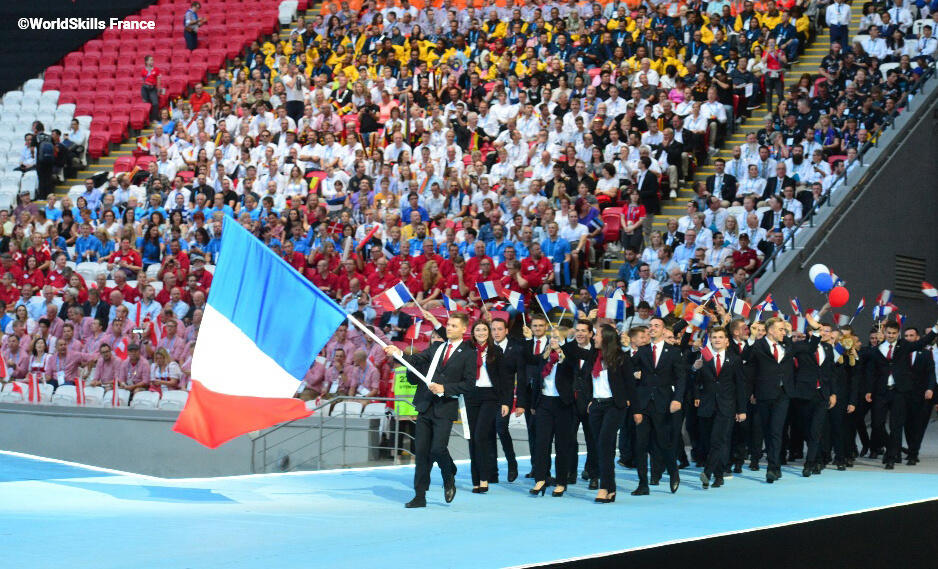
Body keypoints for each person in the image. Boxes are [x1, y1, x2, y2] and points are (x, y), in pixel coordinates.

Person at [384, 311, 476, 508]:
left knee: (437, 449)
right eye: (448, 325)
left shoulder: (468, 353)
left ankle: (448, 474)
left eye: (453, 325)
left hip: (446, 407)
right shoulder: (436, 347)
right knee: (422, 453)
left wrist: (445, 389)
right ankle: (420, 495)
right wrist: (398, 353)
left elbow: (469, 385)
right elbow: (416, 360)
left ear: (463, 329)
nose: (449, 328)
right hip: (425, 406)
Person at [747, 314, 820, 483]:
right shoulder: (758, 345)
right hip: (764, 394)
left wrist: (815, 329)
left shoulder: (788, 344)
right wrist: (750, 392)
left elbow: (809, 347)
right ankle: (776, 465)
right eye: (781, 329)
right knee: (767, 431)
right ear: (770, 330)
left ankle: (772, 468)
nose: (784, 332)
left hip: (783, 394)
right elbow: (746, 362)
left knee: (776, 430)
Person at [864, 319, 938, 469]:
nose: (891, 335)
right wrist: (869, 390)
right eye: (888, 333)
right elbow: (871, 372)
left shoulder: (904, 346)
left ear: (898, 334)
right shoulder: (877, 349)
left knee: (896, 426)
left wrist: (936, 329)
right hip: (881, 392)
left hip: (899, 392)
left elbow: (921, 342)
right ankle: (893, 447)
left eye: (893, 333)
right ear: (884, 333)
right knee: (877, 424)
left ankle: (891, 457)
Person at [629, 316, 685, 495]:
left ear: (663, 330)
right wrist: (633, 373)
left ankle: (673, 472)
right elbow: (628, 367)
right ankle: (643, 484)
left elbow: (681, 378)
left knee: (663, 442)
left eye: (656, 326)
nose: (652, 328)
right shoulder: (643, 350)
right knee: (640, 444)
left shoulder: (673, 352)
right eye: (650, 326)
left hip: (664, 402)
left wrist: (677, 399)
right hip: (643, 403)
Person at [582, 323, 632, 503]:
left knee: (604, 443)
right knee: (602, 447)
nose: (594, 337)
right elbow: (585, 378)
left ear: (607, 338)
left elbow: (629, 383)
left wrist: (632, 407)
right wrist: (589, 400)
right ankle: (611, 488)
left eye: (597, 335)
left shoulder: (620, 357)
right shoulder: (592, 355)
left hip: (614, 406)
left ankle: (604, 486)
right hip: (596, 406)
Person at [693, 327, 748, 489]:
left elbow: (740, 386)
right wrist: (695, 369)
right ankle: (718, 476)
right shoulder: (704, 357)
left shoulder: (735, 359)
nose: (717, 340)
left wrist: (742, 410)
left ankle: (708, 472)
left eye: (720, 337)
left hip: (727, 407)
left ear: (726, 341)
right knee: (711, 442)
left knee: (719, 440)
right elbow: (695, 382)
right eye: (714, 337)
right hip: (707, 406)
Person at [464, 320, 513, 494]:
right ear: (473, 332)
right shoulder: (466, 350)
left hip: (490, 397)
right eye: (478, 329)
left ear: (489, 333)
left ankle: (484, 478)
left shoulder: (496, 351)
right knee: (472, 439)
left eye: (485, 329)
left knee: (480, 437)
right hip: (470, 397)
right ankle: (476, 480)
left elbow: (506, 379)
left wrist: (507, 402)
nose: (482, 332)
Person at [141, 55, 163, 122]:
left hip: (153, 88)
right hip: (145, 88)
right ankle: (148, 120)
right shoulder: (143, 70)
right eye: (150, 60)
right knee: (147, 104)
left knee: (155, 103)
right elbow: (143, 80)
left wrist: (159, 89)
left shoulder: (156, 69)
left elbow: (159, 79)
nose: (152, 61)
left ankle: (154, 118)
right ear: (146, 62)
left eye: (152, 60)